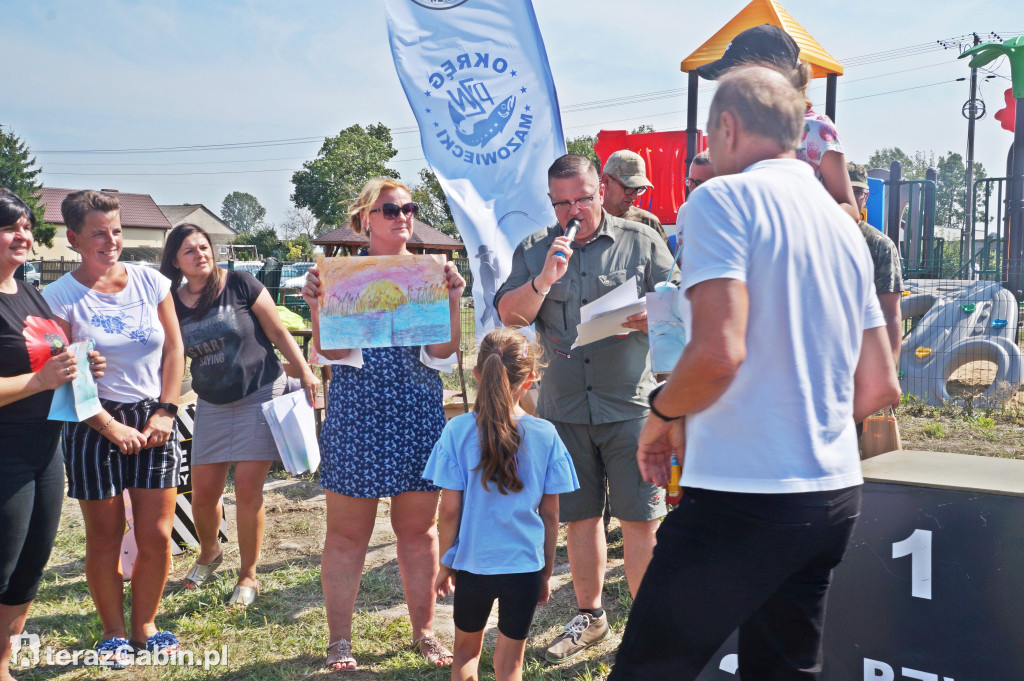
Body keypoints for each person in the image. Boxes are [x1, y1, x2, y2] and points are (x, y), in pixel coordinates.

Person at [607, 67, 901, 680]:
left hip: (744, 497)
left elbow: (719, 352)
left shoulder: (720, 198)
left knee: (645, 671)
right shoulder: (846, 230)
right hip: (833, 492)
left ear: (729, 127)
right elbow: (879, 385)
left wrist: (662, 415)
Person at [493, 154, 677, 663]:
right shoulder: (536, 249)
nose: (576, 210)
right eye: (563, 202)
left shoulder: (640, 240)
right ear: (551, 202)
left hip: (630, 405)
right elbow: (510, 315)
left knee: (641, 518)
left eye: (584, 198)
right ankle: (590, 616)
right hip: (565, 409)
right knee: (580, 517)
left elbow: (679, 300)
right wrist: (543, 280)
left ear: (602, 190)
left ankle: (646, 628)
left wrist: (651, 317)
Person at [301, 177, 466, 671]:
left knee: (418, 533)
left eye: (407, 208)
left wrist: (454, 298)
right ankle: (339, 642)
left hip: (416, 415)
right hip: (357, 417)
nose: (402, 217)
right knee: (346, 537)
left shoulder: (431, 272)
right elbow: (330, 352)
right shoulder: (339, 275)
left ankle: (425, 633)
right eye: (390, 210)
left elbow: (443, 352)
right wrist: (316, 306)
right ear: (365, 220)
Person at [42, 190, 185, 666]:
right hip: (92, 424)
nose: (111, 240)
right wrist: (108, 427)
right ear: (74, 238)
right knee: (103, 538)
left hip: (155, 420)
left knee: (157, 535)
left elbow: (173, 351)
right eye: (99, 233)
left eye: (117, 230)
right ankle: (113, 632)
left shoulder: (151, 281)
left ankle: (146, 625)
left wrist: (166, 409)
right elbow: (67, 371)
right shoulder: (59, 297)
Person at [159, 223, 321, 606]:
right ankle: (210, 552)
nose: (201, 254)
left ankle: (248, 575)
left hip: (260, 393)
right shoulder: (173, 301)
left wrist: (306, 371)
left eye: (204, 246)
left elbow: (280, 333)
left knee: (248, 489)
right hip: (212, 403)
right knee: (202, 496)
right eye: (189, 250)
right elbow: (172, 354)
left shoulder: (241, 283)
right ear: (176, 261)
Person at [424, 328, 579, 681]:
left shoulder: (457, 431)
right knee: (510, 666)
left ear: (477, 373)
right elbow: (551, 514)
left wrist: (446, 563)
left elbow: (448, 512)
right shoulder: (546, 435)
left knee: (464, 655)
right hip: (524, 568)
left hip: (473, 568)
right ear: (531, 379)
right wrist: (544, 570)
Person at [0, 188, 106, 681]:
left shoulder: (26, 290)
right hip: (4, 454)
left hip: (46, 450)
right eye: (9, 226)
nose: (21, 235)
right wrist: (43, 380)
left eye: (25, 226)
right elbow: (35, 375)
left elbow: (47, 360)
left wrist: (82, 367)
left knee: (28, 567)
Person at [696, 23, 860, 223]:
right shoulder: (740, 129)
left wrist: (798, 218)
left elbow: (851, 209)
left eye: (735, 78)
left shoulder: (818, 130)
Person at [848, 163, 903, 366]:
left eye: (857, 191)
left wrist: (889, 369)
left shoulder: (879, 245)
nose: (850, 197)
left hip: (863, 357)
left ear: (866, 197)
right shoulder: (808, 235)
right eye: (845, 188)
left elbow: (890, 312)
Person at [601, 150, 669, 244]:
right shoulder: (585, 221)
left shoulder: (648, 223)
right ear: (606, 181)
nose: (635, 196)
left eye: (638, 189)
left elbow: (666, 258)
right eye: (628, 187)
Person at [672, 150, 715, 254]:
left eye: (700, 183)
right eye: (690, 181)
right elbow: (679, 258)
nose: (693, 188)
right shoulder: (685, 210)